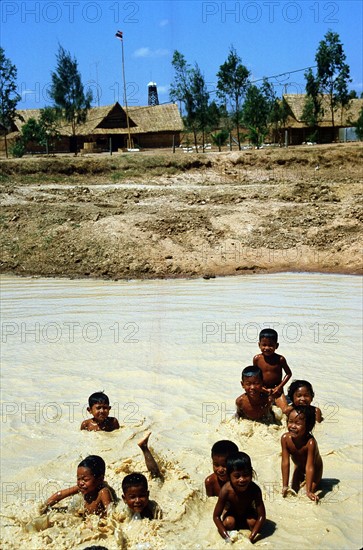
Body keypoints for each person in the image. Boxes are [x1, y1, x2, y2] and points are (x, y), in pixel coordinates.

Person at [213, 452, 266, 543]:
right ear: (229, 476)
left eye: (246, 475)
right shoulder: (225, 490)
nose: (242, 479)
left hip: (248, 514)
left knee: (253, 523)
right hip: (232, 514)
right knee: (229, 522)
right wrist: (226, 537)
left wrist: (252, 537)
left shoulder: (255, 490)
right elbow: (216, 516)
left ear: (251, 473)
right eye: (237, 476)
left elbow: (262, 516)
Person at [40, 455, 117, 517]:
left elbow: (111, 515)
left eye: (85, 479)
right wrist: (43, 507)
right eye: (78, 478)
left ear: (100, 479)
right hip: (82, 514)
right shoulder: (83, 488)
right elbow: (60, 495)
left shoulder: (103, 492)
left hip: (94, 520)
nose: (80, 483)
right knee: (52, 512)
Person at [281, 405, 323, 502]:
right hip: (299, 468)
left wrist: (309, 491)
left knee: (305, 495)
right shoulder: (285, 439)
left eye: (298, 423)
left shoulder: (310, 443)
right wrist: (284, 485)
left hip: (315, 471)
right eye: (290, 422)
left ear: (308, 426)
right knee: (292, 491)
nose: (293, 426)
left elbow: (310, 467)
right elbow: (285, 462)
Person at [120, 431, 163, 520]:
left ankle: (144, 448)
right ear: (124, 499)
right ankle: (143, 446)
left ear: (147, 495)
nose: (138, 500)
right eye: (132, 497)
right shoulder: (122, 511)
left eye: (142, 496)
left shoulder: (153, 508)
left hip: (156, 491)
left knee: (156, 476)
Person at [253, 328, 292, 409]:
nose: (267, 348)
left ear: (276, 346)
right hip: (262, 389)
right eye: (264, 345)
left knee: (284, 410)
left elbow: (288, 373)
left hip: (277, 389)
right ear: (259, 345)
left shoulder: (280, 359)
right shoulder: (257, 359)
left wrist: (280, 387)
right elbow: (254, 375)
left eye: (271, 345)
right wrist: (261, 388)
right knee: (257, 408)